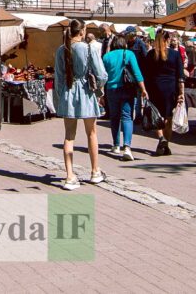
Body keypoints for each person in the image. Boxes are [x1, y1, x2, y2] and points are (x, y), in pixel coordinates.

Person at [53, 18, 107, 189]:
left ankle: (69, 176)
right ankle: (95, 171)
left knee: (69, 135)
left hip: (68, 93)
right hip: (85, 92)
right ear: (82, 31)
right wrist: (99, 88)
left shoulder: (62, 50)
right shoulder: (88, 48)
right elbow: (101, 74)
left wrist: (61, 96)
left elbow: (58, 78)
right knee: (91, 133)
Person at [102, 35, 148, 161]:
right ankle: (127, 147)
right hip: (127, 89)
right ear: (124, 44)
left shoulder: (106, 57)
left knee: (114, 117)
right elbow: (137, 72)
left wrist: (100, 92)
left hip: (111, 89)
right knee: (127, 117)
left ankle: (116, 144)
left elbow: (102, 75)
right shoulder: (129, 54)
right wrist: (143, 89)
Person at [141, 31, 185, 156]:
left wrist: (144, 90)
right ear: (167, 40)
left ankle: (161, 139)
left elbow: (146, 73)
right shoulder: (175, 55)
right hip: (170, 89)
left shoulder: (151, 54)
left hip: (154, 87)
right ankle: (166, 143)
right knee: (168, 117)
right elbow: (180, 76)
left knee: (156, 116)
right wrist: (181, 92)